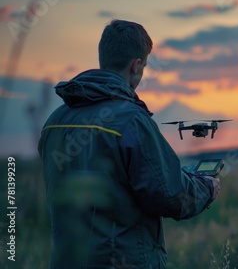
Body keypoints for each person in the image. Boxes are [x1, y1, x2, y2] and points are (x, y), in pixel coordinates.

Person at [37, 19, 220, 268]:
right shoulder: (131, 120)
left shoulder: (54, 121)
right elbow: (171, 195)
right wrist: (205, 188)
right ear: (136, 65)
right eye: (143, 67)